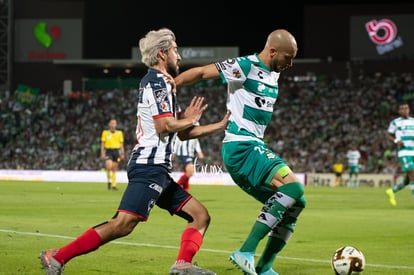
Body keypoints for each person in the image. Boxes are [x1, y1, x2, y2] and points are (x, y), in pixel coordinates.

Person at [39, 28, 230, 275]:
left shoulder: (165, 86)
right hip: (148, 168)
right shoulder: (157, 82)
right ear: (162, 53)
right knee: (123, 224)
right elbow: (165, 125)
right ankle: (56, 257)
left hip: (159, 171)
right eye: (175, 50)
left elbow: (181, 133)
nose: (179, 56)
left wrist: (219, 125)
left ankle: (182, 264)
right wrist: (190, 119)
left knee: (200, 216)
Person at [175, 29, 306, 275]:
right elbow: (203, 72)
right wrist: (171, 84)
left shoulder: (273, 75)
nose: (291, 63)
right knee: (295, 187)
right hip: (241, 146)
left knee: (296, 203)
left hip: (253, 145)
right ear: (272, 51)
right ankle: (245, 251)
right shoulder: (245, 65)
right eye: (288, 57)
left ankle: (264, 267)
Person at [385, 101, 414, 207]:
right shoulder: (395, 122)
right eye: (402, 108)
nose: (405, 110)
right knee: (412, 173)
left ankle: (392, 191)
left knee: (408, 178)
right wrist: (396, 141)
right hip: (404, 151)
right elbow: (388, 135)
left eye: (406, 108)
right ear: (399, 111)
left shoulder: (413, 121)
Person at [100, 118, 125, 190]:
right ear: (109, 124)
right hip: (108, 150)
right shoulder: (105, 133)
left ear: (116, 125)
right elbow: (102, 143)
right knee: (108, 166)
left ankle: (113, 185)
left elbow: (121, 144)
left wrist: (122, 153)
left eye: (114, 123)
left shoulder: (119, 133)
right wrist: (102, 152)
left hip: (116, 151)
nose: (113, 124)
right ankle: (109, 181)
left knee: (114, 168)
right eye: (112, 123)